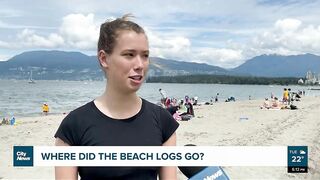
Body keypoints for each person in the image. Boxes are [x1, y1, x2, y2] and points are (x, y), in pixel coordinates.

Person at [54, 14, 179, 180]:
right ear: (104, 59)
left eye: (145, 55)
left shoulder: (163, 121)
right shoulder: (74, 125)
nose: (140, 65)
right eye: (129, 54)